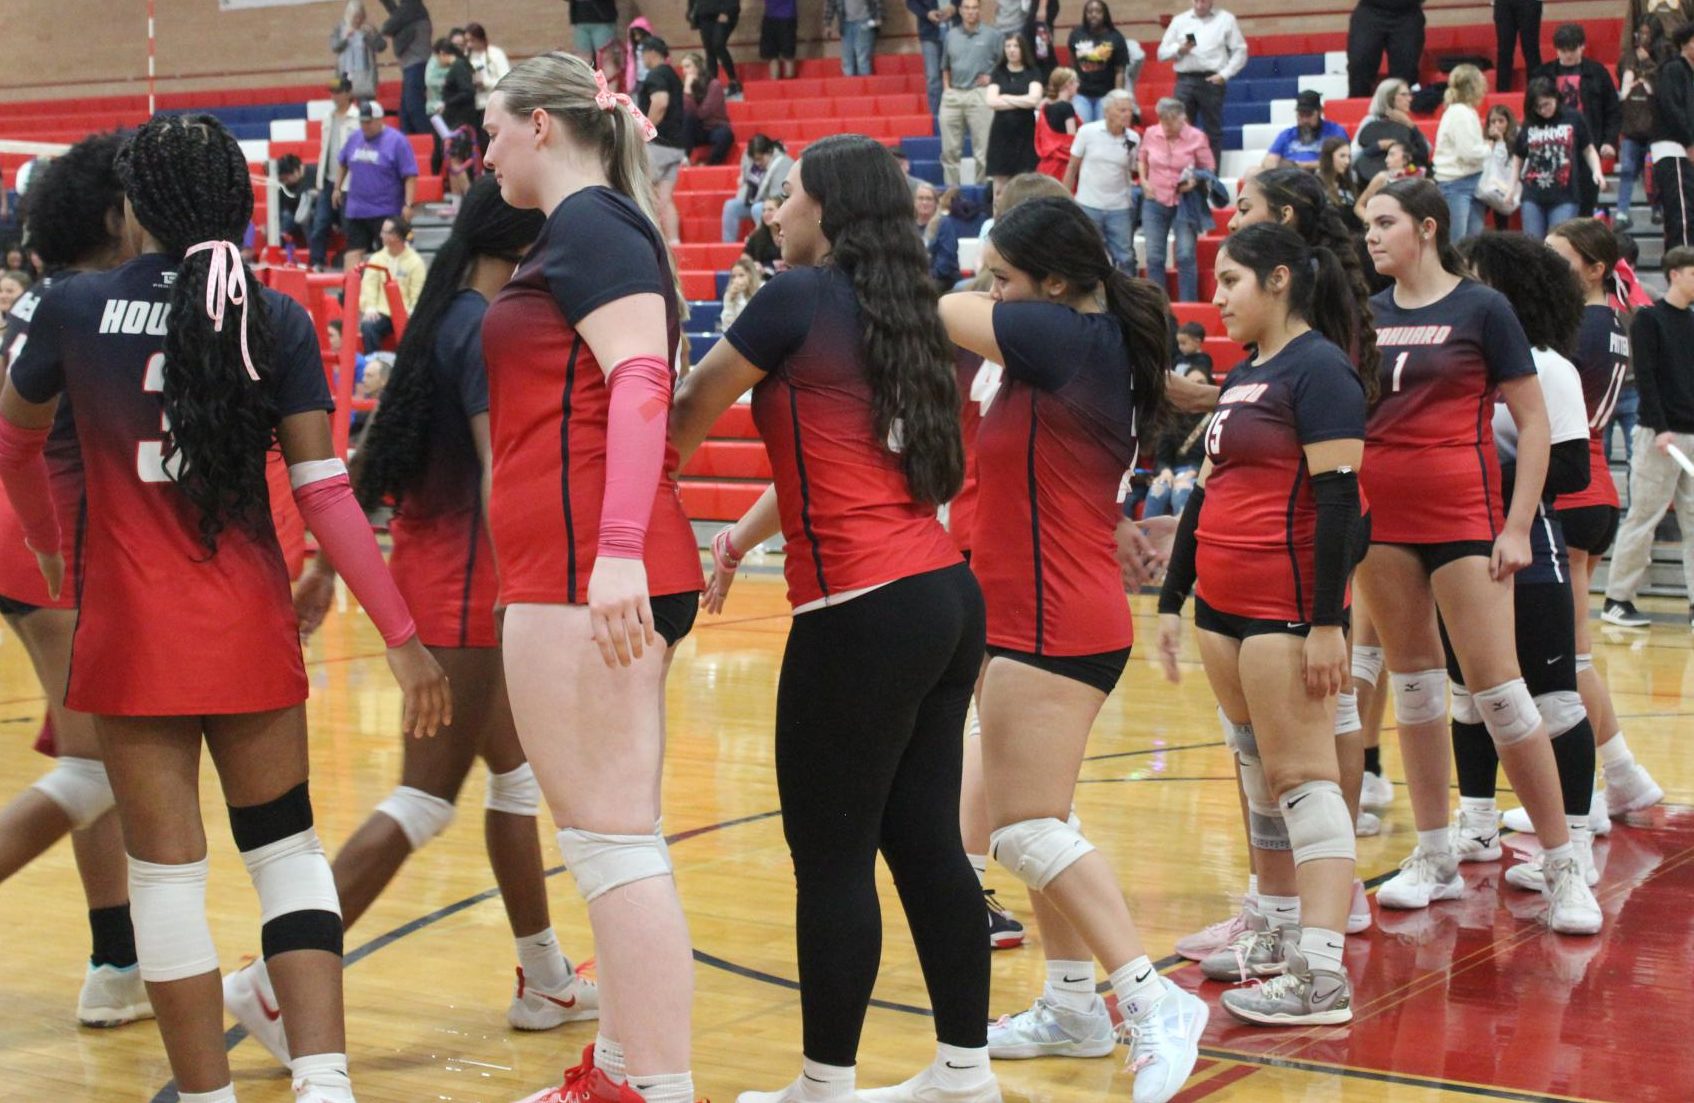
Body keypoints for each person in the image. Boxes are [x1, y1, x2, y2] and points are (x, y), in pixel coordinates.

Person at [0, 111, 450, 1103]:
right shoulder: (275, 314)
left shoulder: (69, 310)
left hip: (129, 637)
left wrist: (41, 538)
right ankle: (324, 1083)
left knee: (166, 881)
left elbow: (16, 442)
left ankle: (207, 1094)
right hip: (246, 625)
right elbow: (328, 489)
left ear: (131, 209)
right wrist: (404, 637)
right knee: (286, 856)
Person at [232, 178, 601, 1070]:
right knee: (426, 798)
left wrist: (324, 564)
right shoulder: (484, 324)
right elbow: (497, 469)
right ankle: (275, 980)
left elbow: (374, 453)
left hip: (446, 574)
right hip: (473, 589)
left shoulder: (454, 313)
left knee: (514, 778)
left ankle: (544, 975)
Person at [667, 130, 992, 1103]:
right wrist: (736, 539)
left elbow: (685, 406)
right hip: (942, 598)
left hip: (857, 605)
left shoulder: (795, 299)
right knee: (925, 842)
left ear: (831, 210)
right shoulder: (907, 311)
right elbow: (834, 447)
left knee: (833, 854)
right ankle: (964, 1072)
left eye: (788, 195)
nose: (773, 211)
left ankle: (824, 1083)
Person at [934, 195, 1206, 1103]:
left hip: (1054, 618)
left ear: (1054, 285)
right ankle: (1071, 1005)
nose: (990, 293)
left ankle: (1148, 997)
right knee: (1039, 816)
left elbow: (943, 309)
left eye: (1004, 279)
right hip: (1037, 609)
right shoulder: (1072, 346)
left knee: (1025, 826)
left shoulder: (1065, 340)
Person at [480, 50, 705, 1103]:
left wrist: (616, 547)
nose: (480, 150)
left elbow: (643, 381)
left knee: (612, 843)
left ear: (537, 125)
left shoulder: (594, 227)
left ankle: (650, 1083)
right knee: (607, 839)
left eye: (490, 126)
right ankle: (619, 1067)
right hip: (568, 565)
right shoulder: (581, 231)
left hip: (589, 570)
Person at [1356, 176, 1601, 932]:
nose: (1372, 235)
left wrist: (1519, 523)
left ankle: (1565, 864)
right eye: (1368, 223)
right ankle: (1435, 855)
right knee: (1419, 691)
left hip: (1464, 517)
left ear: (1427, 228)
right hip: (1384, 523)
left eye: (1386, 222)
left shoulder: (1481, 308)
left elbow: (1532, 425)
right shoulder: (1368, 314)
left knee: (1499, 694)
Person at [1157, 219, 1373, 1025]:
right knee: (1258, 773)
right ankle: (1278, 934)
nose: (1216, 299)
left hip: (1286, 611)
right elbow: (1207, 492)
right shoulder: (1248, 373)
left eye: (1231, 282)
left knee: (1303, 780)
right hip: (1225, 606)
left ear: (1279, 279)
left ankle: (1321, 976)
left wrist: (1327, 623)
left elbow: (1340, 504)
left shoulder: (1322, 371)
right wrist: (1174, 600)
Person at [0, 131, 147, 1032]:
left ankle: (117, 963)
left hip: (26, 535)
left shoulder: (37, 301)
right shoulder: (93, 304)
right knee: (97, 772)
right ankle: (117, 963)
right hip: (42, 542)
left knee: (91, 758)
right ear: (109, 216)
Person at [1535, 219, 1667, 824]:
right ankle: (1615, 780)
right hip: (1591, 485)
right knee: (1569, 657)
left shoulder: (1581, 325)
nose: (1547, 265)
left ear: (1592, 268)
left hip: (1571, 488)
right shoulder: (1613, 320)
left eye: (1559, 257)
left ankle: (1596, 791)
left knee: (1567, 662)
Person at [1601, 245, 1694, 631]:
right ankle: (1617, 599)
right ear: (1675, 273)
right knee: (1643, 517)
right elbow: (1649, 379)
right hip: (1661, 435)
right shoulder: (1649, 320)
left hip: (1690, 434)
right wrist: (1659, 428)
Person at [1530, 24, 1621, 217]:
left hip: (1587, 145)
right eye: (1563, 50)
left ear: (1582, 46)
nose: (1567, 55)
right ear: (1556, 49)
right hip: (1552, 149)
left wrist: (1609, 141)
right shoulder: (1543, 74)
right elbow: (1532, 110)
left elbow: (1612, 110)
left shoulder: (1597, 72)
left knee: (1586, 205)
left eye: (1572, 49)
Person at [1139, 96, 1214, 302]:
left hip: (1184, 200)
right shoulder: (1151, 133)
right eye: (1163, 120)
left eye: (1172, 121)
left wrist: (1195, 181)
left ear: (1183, 119)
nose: (1167, 126)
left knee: (1185, 255)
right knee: (1154, 256)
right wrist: (1144, 181)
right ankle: (1158, 304)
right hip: (1155, 198)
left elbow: (1208, 168)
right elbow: (1142, 159)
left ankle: (1188, 304)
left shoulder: (1197, 137)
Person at [1511, 76, 1604, 239]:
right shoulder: (1529, 123)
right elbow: (1518, 157)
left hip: (1565, 195)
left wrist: (1597, 171)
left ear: (1555, 97)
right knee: (1533, 245)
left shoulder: (1573, 118)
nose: (1543, 110)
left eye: (1546, 104)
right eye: (1538, 107)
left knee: (1558, 244)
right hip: (1533, 194)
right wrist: (1512, 186)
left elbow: (1588, 149)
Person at [1158, 0, 1248, 165]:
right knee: (1180, 129)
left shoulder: (1226, 19)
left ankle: (1211, 179)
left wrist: (1225, 74)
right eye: (1197, 1)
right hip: (1185, 79)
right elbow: (1161, 53)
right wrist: (1179, 49)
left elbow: (1240, 50)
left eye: (1204, 1)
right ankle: (1184, 174)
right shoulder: (1179, 20)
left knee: (1212, 131)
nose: (1200, 5)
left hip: (1212, 79)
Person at [335, 100, 419, 270]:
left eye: (369, 122)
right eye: (362, 122)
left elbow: (410, 175)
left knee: (389, 253)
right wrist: (337, 188)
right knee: (353, 252)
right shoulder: (354, 138)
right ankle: (350, 292)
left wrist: (408, 204)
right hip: (357, 210)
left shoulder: (397, 141)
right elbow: (343, 162)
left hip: (386, 210)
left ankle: (389, 291)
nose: (365, 126)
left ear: (380, 120)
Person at [1064, 89, 1139, 271]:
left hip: (1120, 206)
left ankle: (1127, 297)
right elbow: (1072, 166)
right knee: (1086, 256)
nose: (1127, 114)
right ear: (1107, 112)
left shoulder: (1133, 138)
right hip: (1088, 204)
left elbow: (1134, 169)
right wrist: (1065, 197)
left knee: (1126, 258)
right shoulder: (1087, 132)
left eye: (1129, 110)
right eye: (1122, 110)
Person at [941, 0, 1004, 186]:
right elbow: (945, 66)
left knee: (983, 151)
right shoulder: (950, 35)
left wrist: (992, 79)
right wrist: (947, 88)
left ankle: (983, 196)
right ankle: (951, 196)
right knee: (950, 152)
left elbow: (1003, 66)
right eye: (967, 8)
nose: (970, 12)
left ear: (980, 10)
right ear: (960, 11)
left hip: (980, 94)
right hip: (953, 95)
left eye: (974, 8)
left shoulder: (993, 35)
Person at [1142, 358, 1211, 518]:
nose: (1197, 389)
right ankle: (1146, 540)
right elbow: (1162, 457)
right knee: (1157, 490)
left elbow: (1216, 458)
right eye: (1192, 384)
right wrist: (1165, 471)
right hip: (1173, 472)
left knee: (1182, 491)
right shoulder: (1173, 417)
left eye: (1201, 383)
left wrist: (1195, 472)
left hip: (1200, 474)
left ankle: (1180, 543)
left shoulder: (1216, 417)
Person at [638, 37, 689, 244]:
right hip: (675, 146)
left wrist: (644, 131)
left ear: (652, 52)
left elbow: (660, 102)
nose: (642, 58)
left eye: (643, 53)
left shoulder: (656, 74)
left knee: (643, 193)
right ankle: (673, 241)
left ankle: (649, 241)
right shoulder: (672, 74)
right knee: (665, 199)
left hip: (658, 144)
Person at [1432, 63, 1489, 240]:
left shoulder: (1464, 111)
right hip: (1457, 184)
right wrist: (1490, 148)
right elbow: (1469, 153)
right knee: (1458, 243)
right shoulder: (1460, 113)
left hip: (1468, 181)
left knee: (1471, 243)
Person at [310, 78, 362, 270]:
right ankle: (317, 261)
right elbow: (325, 149)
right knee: (320, 224)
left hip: (349, 182)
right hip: (328, 179)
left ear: (348, 93)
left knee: (349, 225)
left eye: (338, 91)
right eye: (332, 92)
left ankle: (351, 264)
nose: (335, 96)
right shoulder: (328, 117)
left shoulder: (357, 118)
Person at [1616, 21, 1663, 229]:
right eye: (1640, 33)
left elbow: (1663, 83)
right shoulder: (1627, 58)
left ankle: (1656, 209)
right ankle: (1621, 213)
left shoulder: (1663, 58)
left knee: (1651, 172)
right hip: (1631, 126)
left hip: (1654, 128)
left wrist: (1649, 64)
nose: (1643, 37)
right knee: (1626, 169)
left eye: (1648, 33)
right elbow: (1621, 83)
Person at [1652, 24, 1694, 251]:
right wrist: (1689, 141)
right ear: (1684, 44)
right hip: (1674, 149)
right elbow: (1672, 108)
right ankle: (1685, 266)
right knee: (1682, 214)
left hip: (1684, 147)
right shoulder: (1674, 69)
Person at [359, 216, 428, 353]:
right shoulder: (377, 258)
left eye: (385, 232)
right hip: (382, 312)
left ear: (396, 236)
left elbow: (418, 292)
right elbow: (369, 286)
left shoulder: (415, 262)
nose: (381, 235)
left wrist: (412, 312)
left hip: (406, 312)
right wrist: (370, 307)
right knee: (368, 326)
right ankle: (374, 362)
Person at [1067, 0, 1141, 125]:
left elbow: (1120, 71)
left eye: (1098, 11)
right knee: (1084, 131)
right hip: (1081, 94)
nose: (1093, 14)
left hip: (1105, 95)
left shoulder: (1115, 37)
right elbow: (1073, 62)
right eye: (1089, 11)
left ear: (1105, 14)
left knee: (1102, 132)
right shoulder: (1076, 34)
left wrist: (1117, 97)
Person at [985, 35, 1042, 191]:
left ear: (1023, 49)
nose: (1011, 50)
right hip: (1001, 132)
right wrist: (1021, 101)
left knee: (1026, 181)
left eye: (1015, 46)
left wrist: (1006, 97)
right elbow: (991, 102)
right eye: (1008, 46)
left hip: (1026, 132)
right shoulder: (998, 72)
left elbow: (1034, 100)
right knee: (1000, 184)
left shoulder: (1033, 72)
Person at [1352, 78, 1431, 184]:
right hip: (1372, 179)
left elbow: (1426, 150)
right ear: (1389, 98)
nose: (1410, 99)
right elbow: (1354, 156)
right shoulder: (1371, 121)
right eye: (1404, 94)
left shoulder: (1406, 122)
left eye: (1409, 94)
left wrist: (1411, 126)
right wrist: (1378, 146)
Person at [1346, 0, 1426, 99]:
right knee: (1359, 63)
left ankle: (1400, 111)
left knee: (1406, 72)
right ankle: (1356, 109)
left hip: (1408, 12)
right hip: (1370, 10)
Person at [721, 135, 793, 242]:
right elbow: (747, 190)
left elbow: (778, 199)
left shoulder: (783, 163)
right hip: (757, 201)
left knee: (759, 208)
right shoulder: (754, 164)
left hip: (777, 205)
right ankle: (727, 246)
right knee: (731, 206)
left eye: (760, 159)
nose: (757, 163)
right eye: (755, 160)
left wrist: (763, 205)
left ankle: (764, 243)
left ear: (769, 152)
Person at [380, 0, 434, 135]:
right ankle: (409, 145)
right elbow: (397, 16)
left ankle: (427, 140)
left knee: (414, 107)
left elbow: (388, 26)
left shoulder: (411, 7)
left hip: (417, 64)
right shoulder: (412, 9)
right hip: (413, 65)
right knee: (405, 112)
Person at [1262, 90, 1350, 172]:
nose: (1304, 120)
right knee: (1253, 171)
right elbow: (1269, 160)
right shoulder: (1287, 135)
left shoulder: (1334, 131)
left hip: (1320, 175)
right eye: (1301, 115)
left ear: (1320, 112)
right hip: (1289, 177)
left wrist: (1304, 166)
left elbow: (1341, 161)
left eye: (1309, 115)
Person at [679, 52, 735, 166]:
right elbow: (686, 112)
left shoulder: (714, 85)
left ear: (698, 67)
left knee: (726, 135)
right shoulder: (686, 87)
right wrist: (687, 91)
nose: (684, 71)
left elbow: (703, 113)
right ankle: (685, 157)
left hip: (715, 127)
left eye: (688, 66)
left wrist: (687, 94)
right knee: (687, 118)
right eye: (683, 68)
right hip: (695, 129)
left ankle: (709, 164)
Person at [910, 0, 960, 115]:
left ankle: (957, 114)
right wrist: (927, 13)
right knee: (933, 78)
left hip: (956, 31)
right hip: (929, 31)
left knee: (957, 74)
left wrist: (954, 7)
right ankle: (935, 116)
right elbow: (911, 3)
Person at [1475, 105, 1520, 230]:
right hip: (1486, 184)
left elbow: (1504, 167)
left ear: (1508, 122)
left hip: (1506, 185)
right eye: (1493, 121)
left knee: (1500, 203)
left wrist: (1500, 141)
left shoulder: (1515, 140)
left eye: (1501, 121)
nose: (1497, 125)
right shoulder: (1484, 141)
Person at [467, 22, 512, 142]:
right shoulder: (467, 56)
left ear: (481, 39)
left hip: (493, 104)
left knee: (494, 140)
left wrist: (485, 82)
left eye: (472, 40)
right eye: (467, 41)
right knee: (482, 142)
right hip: (476, 105)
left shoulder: (496, 54)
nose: (469, 45)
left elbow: (506, 79)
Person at [332, 1, 387, 100]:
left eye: (360, 17)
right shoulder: (340, 28)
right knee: (345, 105)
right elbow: (334, 47)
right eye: (354, 17)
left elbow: (381, 46)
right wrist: (345, 39)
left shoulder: (368, 28)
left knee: (366, 107)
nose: (357, 21)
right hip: (345, 74)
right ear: (348, 16)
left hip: (365, 75)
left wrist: (368, 35)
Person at [1034, 66, 1080, 180]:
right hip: (1063, 164)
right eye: (1075, 82)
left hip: (1047, 163)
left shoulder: (1045, 108)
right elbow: (1071, 137)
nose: (1078, 85)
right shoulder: (1067, 107)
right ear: (1067, 84)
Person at [695, 0, 744, 92]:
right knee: (709, 49)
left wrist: (727, 11)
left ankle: (733, 80)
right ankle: (712, 84)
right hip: (704, 14)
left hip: (723, 13)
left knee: (718, 45)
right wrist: (693, 12)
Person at [825, 0, 882, 76]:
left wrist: (878, 18)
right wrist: (827, 24)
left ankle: (864, 86)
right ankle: (851, 86)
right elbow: (831, 4)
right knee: (848, 61)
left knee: (861, 59)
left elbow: (876, 2)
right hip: (846, 24)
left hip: (865, 22)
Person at [1494, 0, 1541, 91]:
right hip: (1503, 4)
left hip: (1529, 3)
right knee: (1504, 50)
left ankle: (1537, 91)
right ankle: (1501, 93)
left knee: (1531, 49)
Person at [1318, 138, 1361, 229]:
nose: (1347, 161)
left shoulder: (1350, 181)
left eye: (1349, 157)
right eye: (1342, 156)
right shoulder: (1317, 183)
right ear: (1328, 157)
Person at [717, 255, 763, 331]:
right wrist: (730, 302)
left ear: (751, 276)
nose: (736, 280)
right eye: (733, 277)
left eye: (741, 275)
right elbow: (726, 328)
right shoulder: (730, 294)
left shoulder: (762, 289)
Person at [570, 0, 620, 66]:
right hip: (579, 20)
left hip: (602, 20)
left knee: (604, 59)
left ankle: (601, 76)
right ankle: (587, 76)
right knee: (582, 60)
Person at [762, 0, 800, 80]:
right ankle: (775, 86)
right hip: (771, 16)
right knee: (772, 55)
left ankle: (789, 86)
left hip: (786, 17)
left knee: (788, 55)